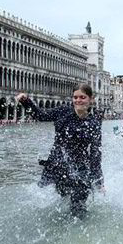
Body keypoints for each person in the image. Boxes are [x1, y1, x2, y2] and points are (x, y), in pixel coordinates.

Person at [16, 84, 103, 218]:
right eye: (75, 97)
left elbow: (95, 154)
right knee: (56, 203)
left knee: (79, 207)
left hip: (80, 167)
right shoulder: (63, 111)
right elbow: (41, 115)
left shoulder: (94, 123)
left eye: (82, 97)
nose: (78, 100)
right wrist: (25, 101)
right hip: (57, 164)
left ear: (91, 99)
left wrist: (99, 181)